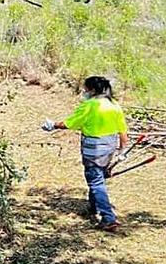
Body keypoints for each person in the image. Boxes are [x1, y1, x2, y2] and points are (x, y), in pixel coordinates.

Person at [42, 76, 130, 231]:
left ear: (93, 90)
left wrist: (53, 125)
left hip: (94, 149)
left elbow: (70, 123)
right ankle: (93, 207)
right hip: (109, 148)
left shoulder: (90, 105)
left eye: (86, 88)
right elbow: (123, 131)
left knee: (96, 181)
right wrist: (123, 150)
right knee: (99, 176)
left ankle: (108, 218)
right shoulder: (114, 105)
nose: (85, 91)